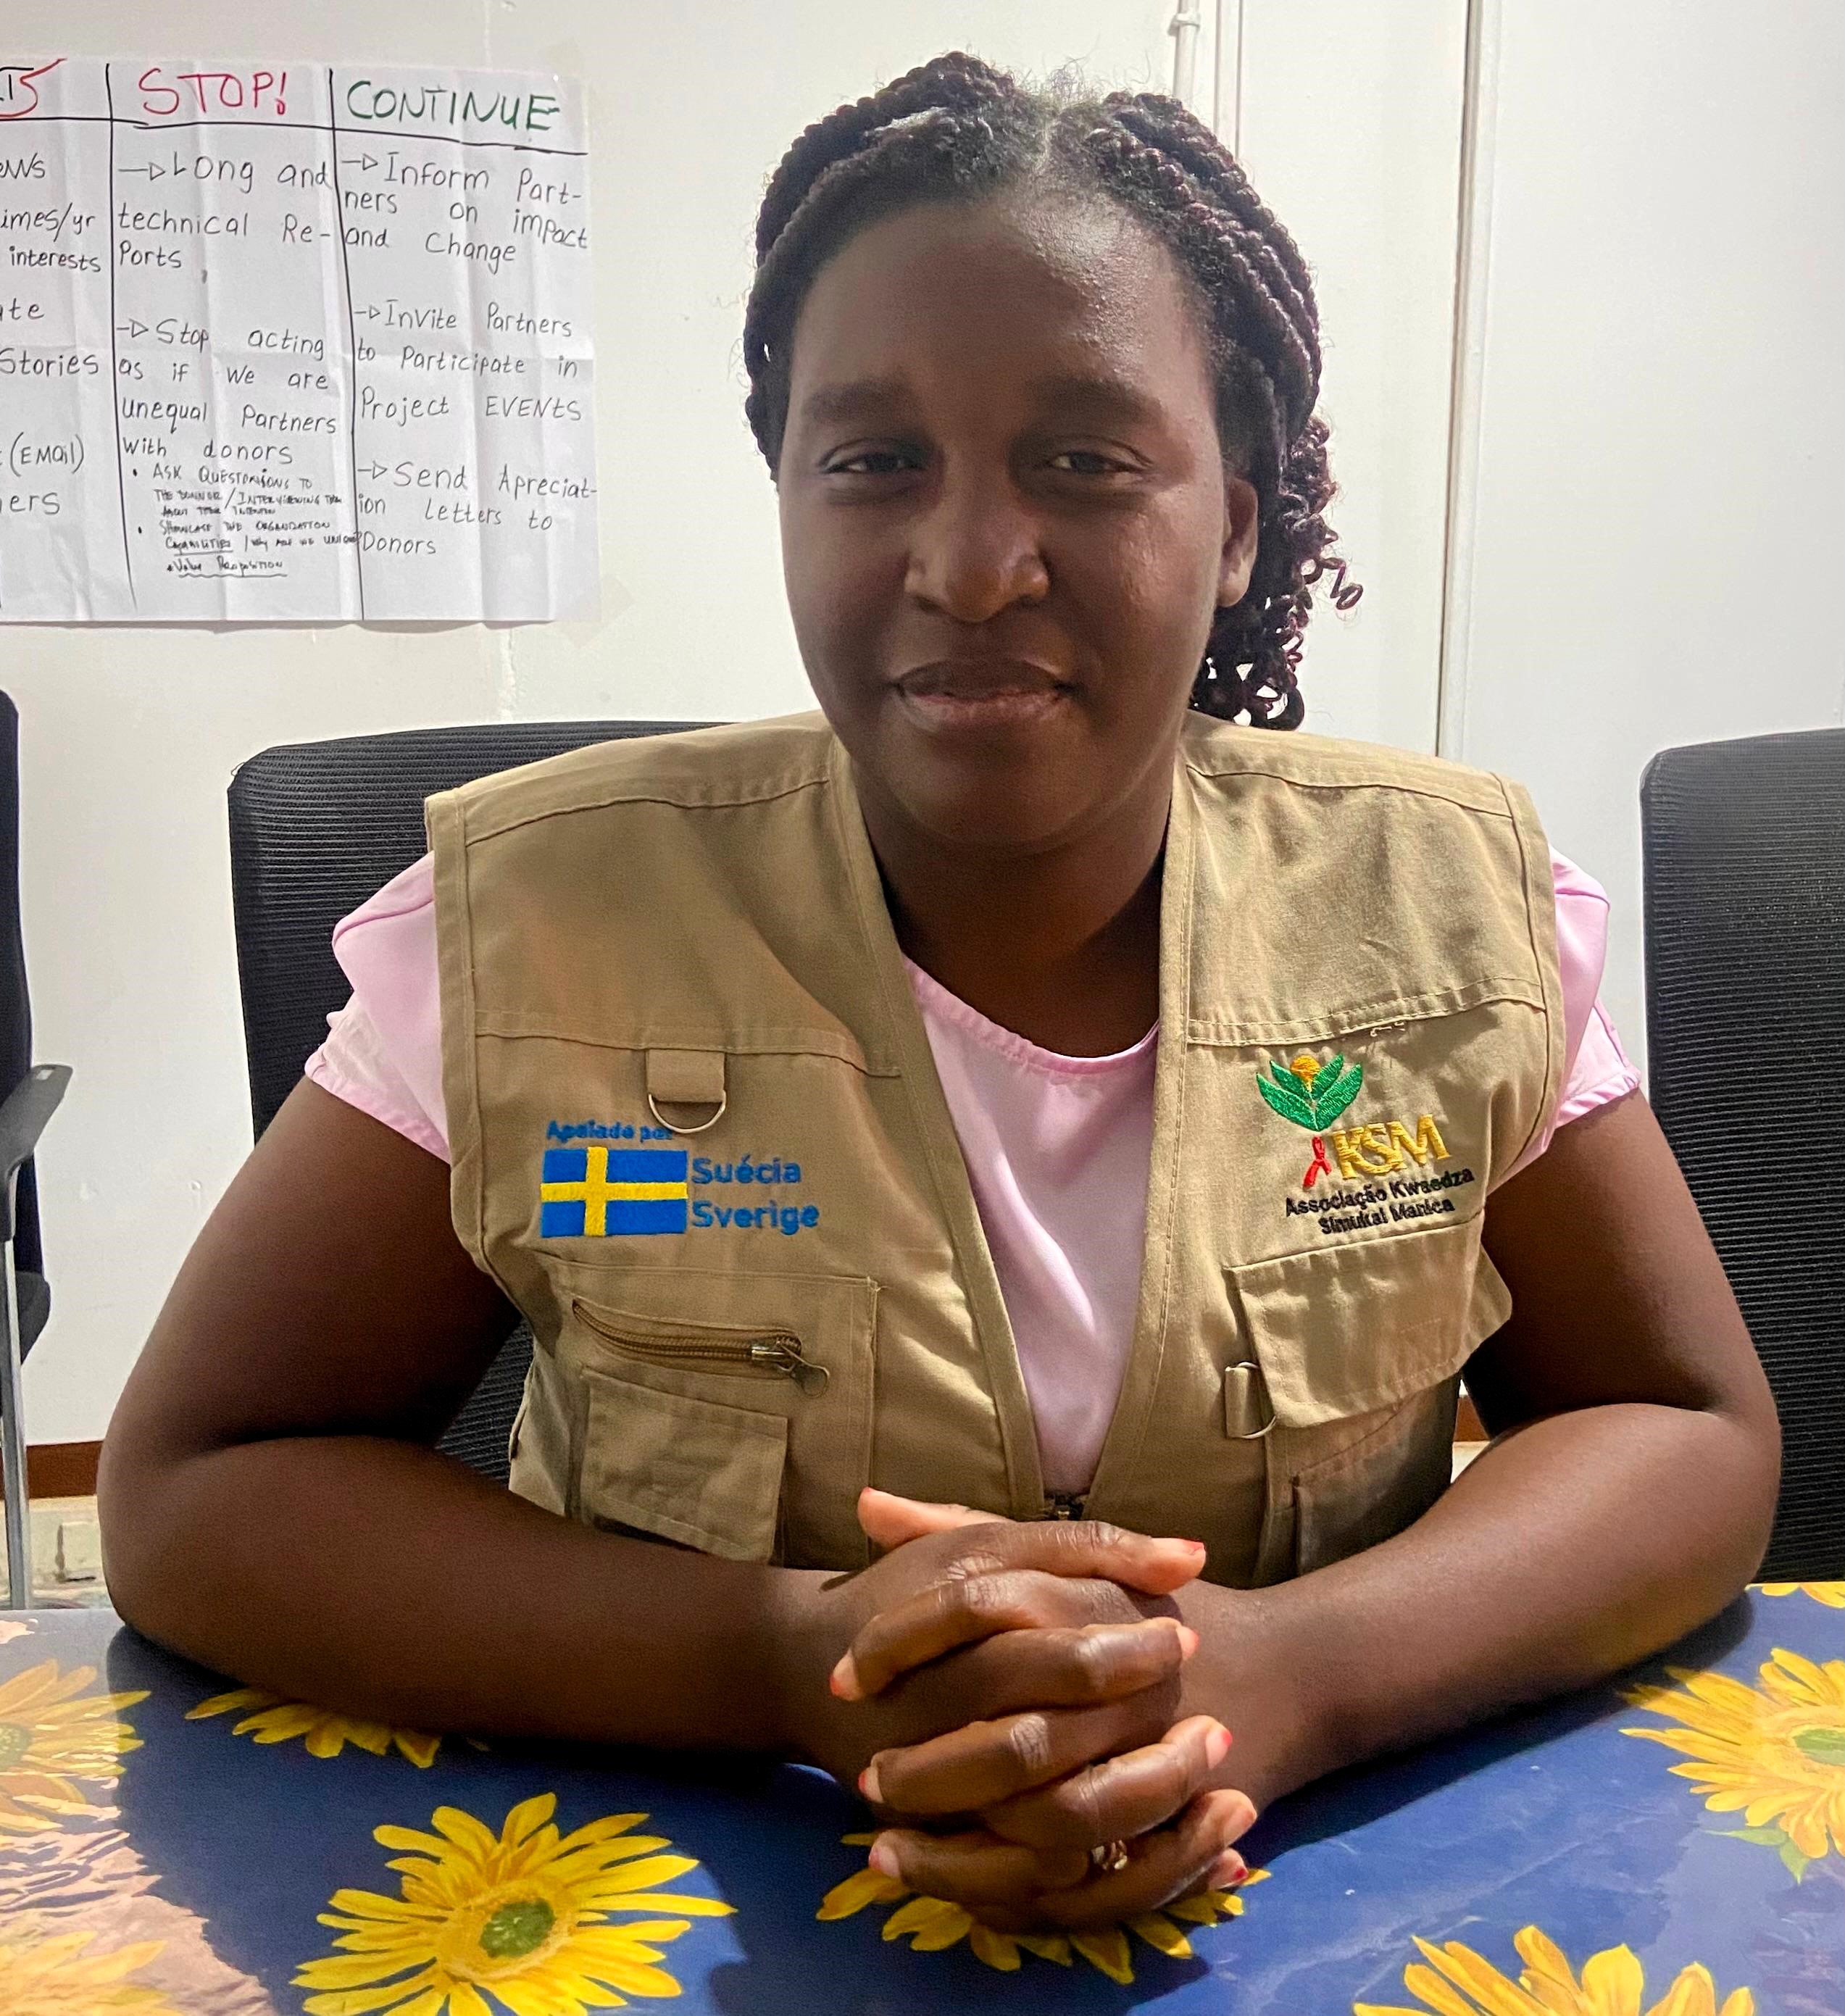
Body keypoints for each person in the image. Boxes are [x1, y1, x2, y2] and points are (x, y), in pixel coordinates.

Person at [100, 53, 1778, 1935]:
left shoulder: (1449, 917)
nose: (972, 566)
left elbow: (1684, 1426)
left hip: (1315, 1897)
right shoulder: (527, 932)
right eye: (874, 462)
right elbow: (200, 1487)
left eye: (1085, 460)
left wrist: (1303, 1674)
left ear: (1234, 524)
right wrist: (784, 1657)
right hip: (682, 1900)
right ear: (787, 498)